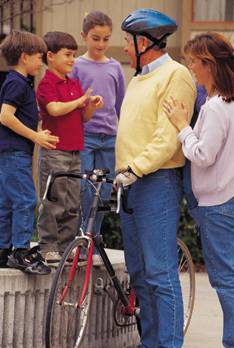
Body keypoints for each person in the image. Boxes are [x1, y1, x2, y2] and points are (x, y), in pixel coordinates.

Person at [111, 9, 196, 348]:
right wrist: (123, 172)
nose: (125, 51)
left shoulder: (176, 75)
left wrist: (136, 168)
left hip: (155, 180)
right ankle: (149, 345)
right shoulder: (139, 78)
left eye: (128, 43)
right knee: (140, 270)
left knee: (160, 270)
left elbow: (166, 137)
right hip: (131, 182)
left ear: (142, 43)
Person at [163, 32, 234, 348]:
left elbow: (202, 154)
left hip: (218, 202)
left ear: (209, 65)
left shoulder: (218, 106)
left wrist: (182, 127)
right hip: (227, 195)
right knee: (228, 275)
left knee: (226, 277)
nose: (190, 66)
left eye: (193, 61)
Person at [36, 31, 103, 262]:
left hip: (75, 150)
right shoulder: (47, 84)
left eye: (74, 55)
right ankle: (48, 245)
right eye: (67, 55)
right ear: (51, 56)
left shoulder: (73, 83)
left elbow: (82, 117)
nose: (72, 59)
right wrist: (78, 101)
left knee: (72, 201)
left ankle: (67, 246)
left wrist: (91, 106)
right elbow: (54, 109)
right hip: (55, 152)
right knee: (54, 199)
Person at [0, 31, 58, 274]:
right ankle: (21, 251)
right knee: (26, 200)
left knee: (7, 202)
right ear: (24, 57)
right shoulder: (16, 82)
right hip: (15, 154)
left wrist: (37, 129)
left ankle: (4, 250)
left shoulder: (18, 82)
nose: (41, 62)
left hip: (11, 153)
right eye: (39, 57)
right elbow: (5, 116)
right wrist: (35, 136)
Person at [71, 11, 125, 237]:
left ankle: (94, 236)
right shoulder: (76, 66)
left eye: (106, 38)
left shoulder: (115, 67)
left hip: (110, 137)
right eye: (95, 38)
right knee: (83, 189)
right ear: (84, 36)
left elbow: (122, 104)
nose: (101, 43)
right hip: (85, 135)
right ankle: (79, 236)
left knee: (103, 192)